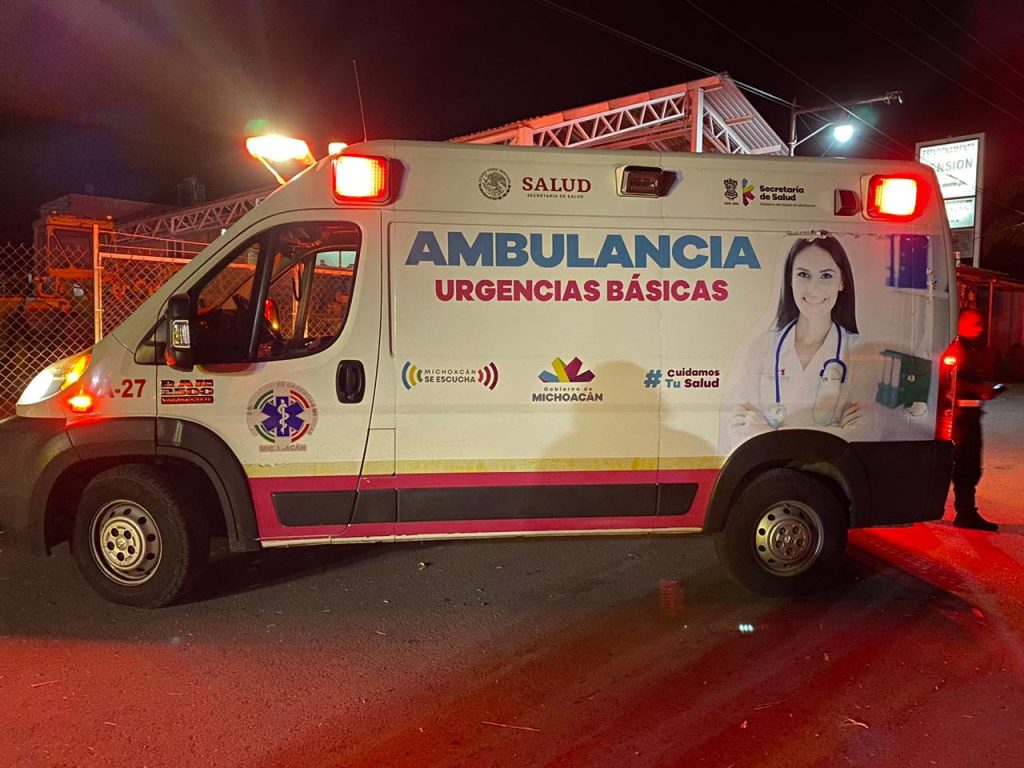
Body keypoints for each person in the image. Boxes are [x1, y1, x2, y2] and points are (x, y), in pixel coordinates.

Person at [723, 233, 870, 451]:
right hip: (771, 469)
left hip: (827, 470)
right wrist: (833, 433)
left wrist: (770, 434)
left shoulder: (861, 352)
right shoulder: (763, 347)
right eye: (803, 274)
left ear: (842, 282)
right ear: (790, 280)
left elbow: (862, 435)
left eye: (826, 276)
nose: (813, 288)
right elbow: (739, 427)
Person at [950, 307, 1000, 531]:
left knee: (968, 466)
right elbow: (951, 380)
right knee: (965, 466)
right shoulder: (957, 347)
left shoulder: (970, 347)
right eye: (975, 323)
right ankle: (965, 512)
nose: (981, 328)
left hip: (969, 415)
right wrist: (978, 389)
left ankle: (966, 511)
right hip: (960, 418)